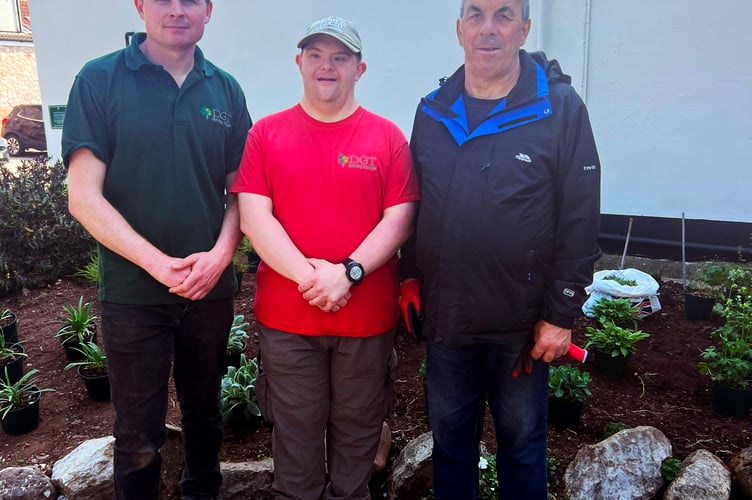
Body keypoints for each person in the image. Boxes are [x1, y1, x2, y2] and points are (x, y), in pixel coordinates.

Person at [398, 0, 602, 498]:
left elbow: (580, 218)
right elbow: (417, 201)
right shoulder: (433, 111)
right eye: (476, 14)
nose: (488, 28)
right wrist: (410, 276)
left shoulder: (559, 109)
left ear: (524, 29)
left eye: (504, 14)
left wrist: (561, 313)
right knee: (450, 447)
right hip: (448, 321)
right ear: (459, 29)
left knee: (522, 446)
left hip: (522, 326)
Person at [63, 0, 252, 498]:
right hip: (133, 293)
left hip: (209, 289)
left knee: (205, 417)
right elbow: (83, 197)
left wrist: (220, 256)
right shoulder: (100, 80)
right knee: (138, 436)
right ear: (140, 6)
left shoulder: (225, 90)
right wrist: (157, 264)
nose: (176, 10)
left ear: (208, 10)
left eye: (190, 0)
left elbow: (243, 193)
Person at [231, 16, 419, 500]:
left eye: (339, 57)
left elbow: (399, 219)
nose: (326, 66)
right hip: (289, 322)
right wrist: (314, 279)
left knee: (358, 435)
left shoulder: (387, 138)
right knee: (295, 436)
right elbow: (254, 217)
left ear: (360, 69)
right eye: (315, 55)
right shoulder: (266, 134)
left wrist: (348, 274)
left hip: (366, 321)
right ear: (299, 63)